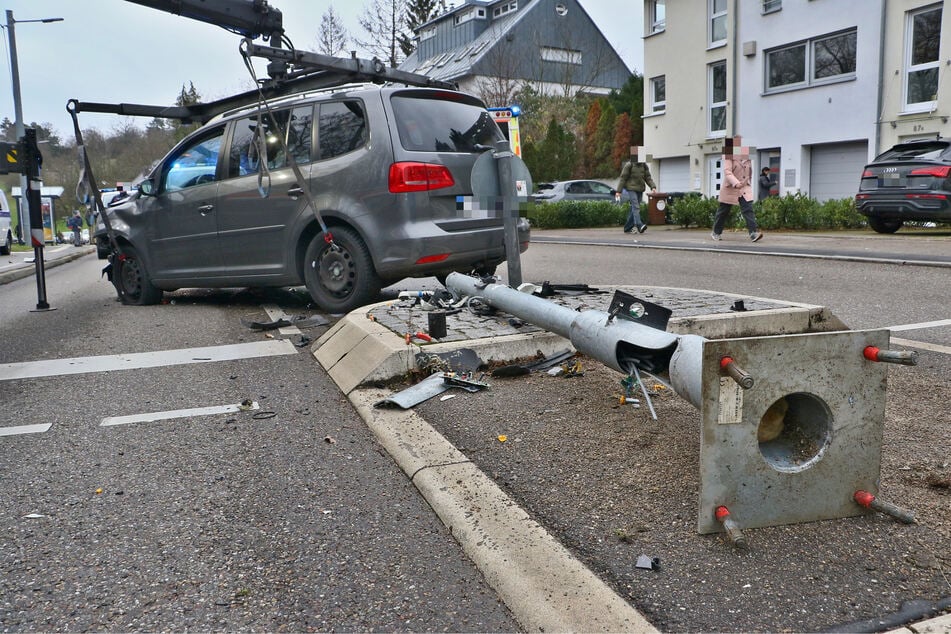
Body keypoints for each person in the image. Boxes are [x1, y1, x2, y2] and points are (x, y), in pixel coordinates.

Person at [711, 137, 763, 242]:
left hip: (744, 187)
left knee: (748, 209)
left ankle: (753, 233)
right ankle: (716, 232)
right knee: (723, 211)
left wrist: (747, 184)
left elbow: (749, 173)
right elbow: (727, 172)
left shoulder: (748, 158)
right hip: (730, 187)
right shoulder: (728, 156)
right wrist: (736, 183)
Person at [617, 158, 656, 234]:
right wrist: (619, 191)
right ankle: (639, 225)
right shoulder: (629, 165)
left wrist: (653, 186)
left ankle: (627, 227)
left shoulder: (644, 165)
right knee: (636, 206)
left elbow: (648, 177)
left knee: (634, 208)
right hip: (631, 189)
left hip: (640, 189)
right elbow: (623, 178)